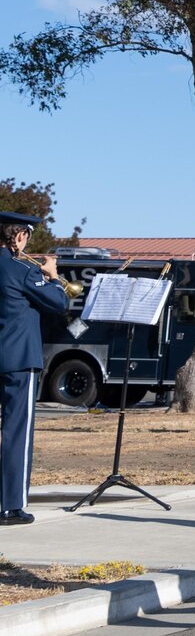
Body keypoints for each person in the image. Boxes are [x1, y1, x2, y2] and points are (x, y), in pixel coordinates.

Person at [1, 214, 68, 526]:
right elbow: (59, 303)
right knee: (17, 431)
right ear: (17, 238)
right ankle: (11, 505)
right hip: (17, 360)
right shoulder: (23, 270)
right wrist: (52, 275)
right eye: (26, 236)